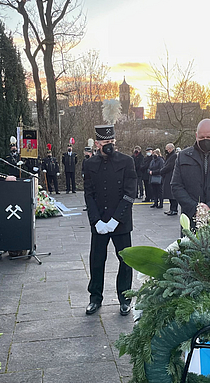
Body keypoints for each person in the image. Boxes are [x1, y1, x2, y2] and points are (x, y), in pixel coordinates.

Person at [83, 124, 136, 317]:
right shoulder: (89, 164)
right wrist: (96, 221)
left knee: (125, 260)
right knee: (96, 261)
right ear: (97, 143)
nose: (109, 146)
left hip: (120, 222)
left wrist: (115, 220)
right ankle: (95, 298)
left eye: (111, 142)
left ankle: (125, 298)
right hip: (99, 223)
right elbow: (89, 195)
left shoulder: (127, 161)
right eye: (105, 143)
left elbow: (130, 193)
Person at [151, 143, 178, 216]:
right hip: (167, 176)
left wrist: (162, 171)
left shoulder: (174, 156)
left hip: (170, 176)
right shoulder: (170, 156)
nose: (166, 150)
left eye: (167, 149)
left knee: (172, 194)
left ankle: (174, 209)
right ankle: (172, 209)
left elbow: (169, 166)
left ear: (170, 149)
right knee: (169, 194)